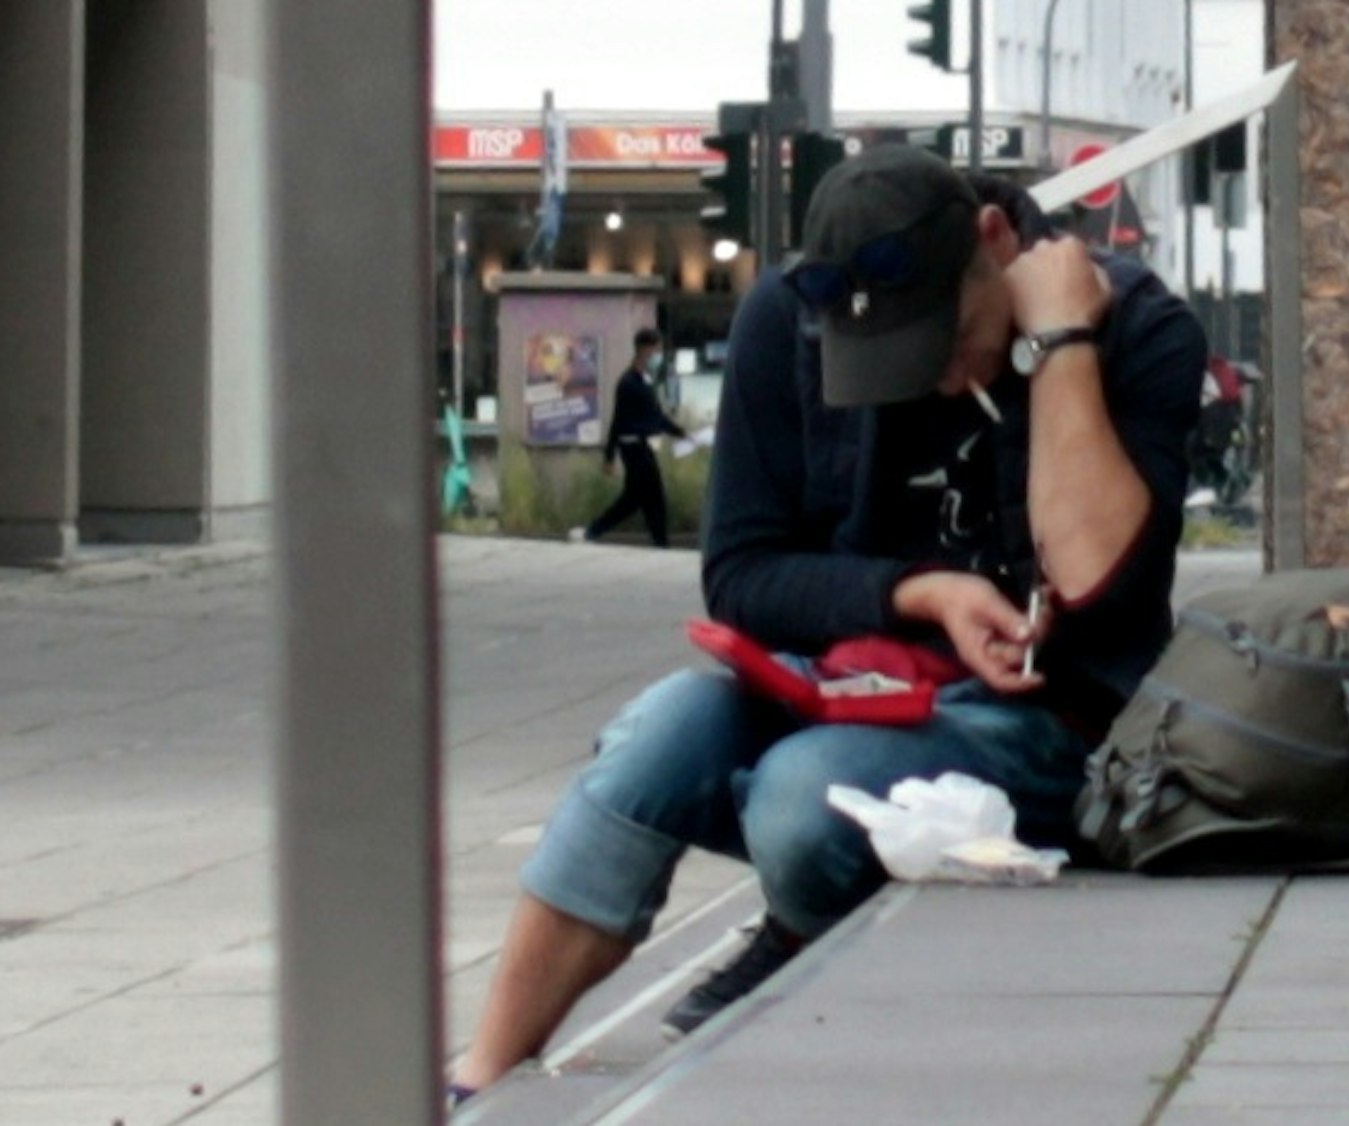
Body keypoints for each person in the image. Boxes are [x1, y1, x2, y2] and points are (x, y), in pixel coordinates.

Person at [449, 146, 1206, 1102]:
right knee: (664, 732)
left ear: (996, 241)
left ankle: (795, 945)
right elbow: (741, 573)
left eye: (943, 341)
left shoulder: (1138, 327)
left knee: (803, 797)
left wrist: (1060, 345)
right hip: (848, 690)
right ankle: (481, 1077)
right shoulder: (790, 322)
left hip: (1050, 728)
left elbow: (1098, 586)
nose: (926, 381)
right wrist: (917, 594)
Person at [574, 327, 687, 547]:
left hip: (645, 447)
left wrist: (680, 433)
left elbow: (657, 417)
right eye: (657, 349)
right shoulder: (628, 383)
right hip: (634, 448)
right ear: (644, 349)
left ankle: (593, 532)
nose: (659, 354)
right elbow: (617, 421)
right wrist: (609, 456)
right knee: (653, 497)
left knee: (635, 499)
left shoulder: (645, 381)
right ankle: (660, 543)